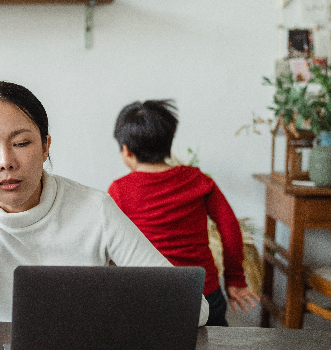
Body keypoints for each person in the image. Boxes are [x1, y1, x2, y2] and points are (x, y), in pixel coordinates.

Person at [0, 82, 209, 327]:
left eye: (22, 143)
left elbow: (194, 310)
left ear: (45, 147)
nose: (5, 163)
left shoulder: (95, 208)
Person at [107, 99, 260, 327]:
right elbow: (229, 227)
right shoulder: (199, 180)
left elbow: (110, 243)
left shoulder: (119, 190)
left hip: (150, 297)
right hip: (203, 293)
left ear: (126, 150)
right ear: (169, 143)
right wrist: (235, 278)